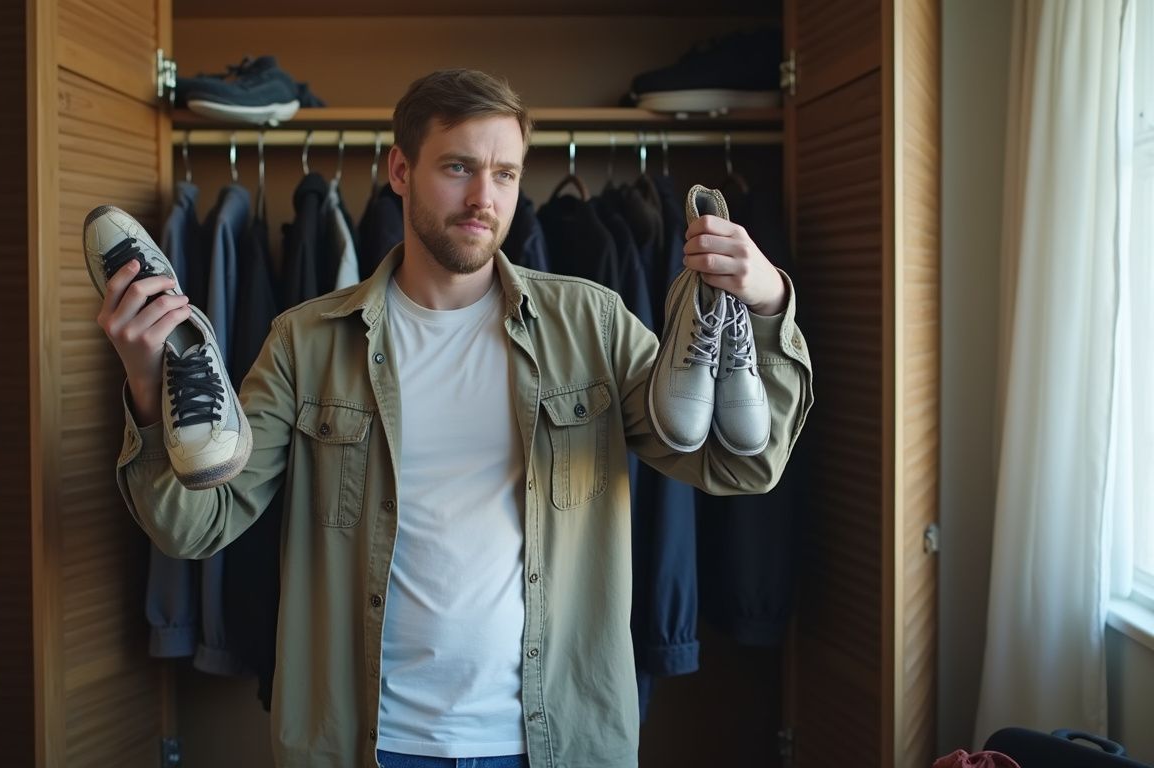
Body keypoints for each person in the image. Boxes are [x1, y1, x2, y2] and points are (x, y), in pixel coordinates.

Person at [97, 68, 813, 768]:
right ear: (401, 170)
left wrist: (768, 300)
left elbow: (740, 464)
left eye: (505, 173)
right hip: (365, 742)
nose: (484, 197)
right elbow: (193, 527)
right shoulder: (307, 342)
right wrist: (143, 380)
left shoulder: (590, 325)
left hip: (553, 740)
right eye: (460, 167)